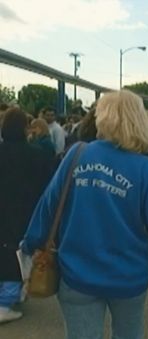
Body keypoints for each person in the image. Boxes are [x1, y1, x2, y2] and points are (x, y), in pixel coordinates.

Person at [21, 90, 148, 339]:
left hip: (77, 275)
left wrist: (30, 243)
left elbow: (48, 206)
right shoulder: (145, 168)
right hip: (128, 277)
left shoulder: (76, 155)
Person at [0, 108, 52, 324]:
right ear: (25, 128)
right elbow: (47, 185)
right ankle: (8, 298)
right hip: (25, 210)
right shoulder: (36, 153)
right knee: (20, 251)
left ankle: (8, 295)